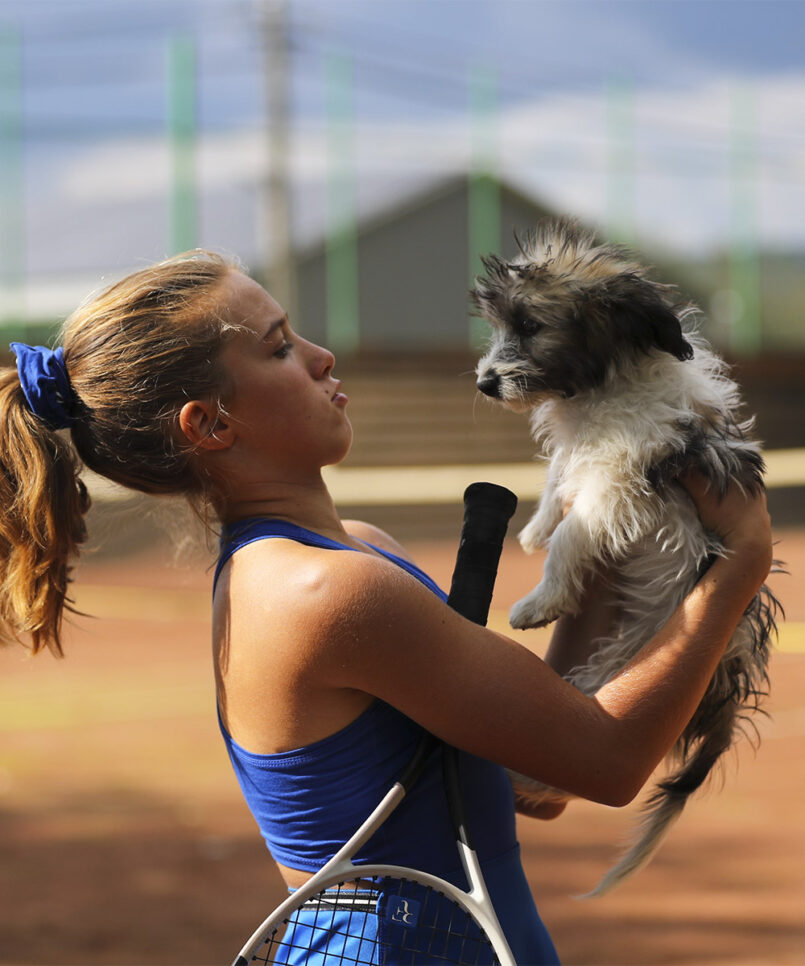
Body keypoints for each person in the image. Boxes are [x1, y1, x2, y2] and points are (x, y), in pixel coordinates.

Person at [0, 251, 773, 964]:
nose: (319, 355)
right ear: (210, 423)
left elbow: (532, 782)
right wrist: (738, 566)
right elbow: (604, 762)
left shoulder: (353, 553)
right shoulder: (326, 592)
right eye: (277, 349)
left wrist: (603, 558)